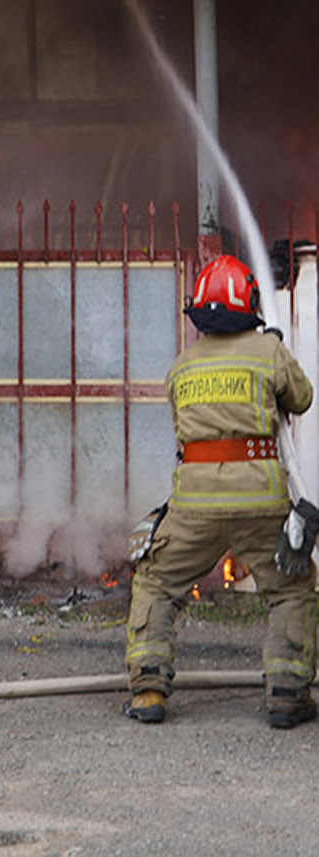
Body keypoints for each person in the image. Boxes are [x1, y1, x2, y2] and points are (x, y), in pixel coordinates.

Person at [125, 254, 317, 727]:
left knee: (156, 582)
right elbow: (302, 398)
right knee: (291, 589)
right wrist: (274, 348)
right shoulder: (267, 352)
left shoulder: (181, 367)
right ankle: (288, 693)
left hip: (194, 504)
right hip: (260, 500)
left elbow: (182, 434)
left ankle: (149, 689)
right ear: (249, 303)